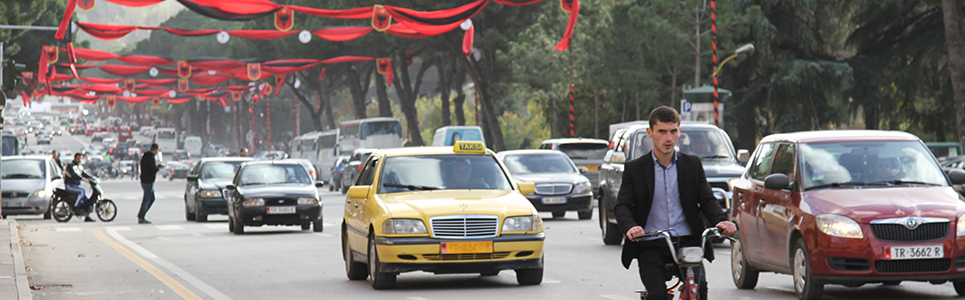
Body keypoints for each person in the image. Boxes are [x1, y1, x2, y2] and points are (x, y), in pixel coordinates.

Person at [614, 106, 737, 300]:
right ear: (650, 132)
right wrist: (631, 227)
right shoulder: (635, 169)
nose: (668, 138)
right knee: (658, 294)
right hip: (651, 243)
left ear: (679, 132)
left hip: (688, 242)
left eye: (673, 131)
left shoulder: (692, 164)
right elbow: (622, 205)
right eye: (662, 132)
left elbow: (707, 199)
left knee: (699, 290)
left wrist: (720, 221)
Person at [65, 153, 96, 222]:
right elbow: (74, 175)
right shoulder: (71, 166)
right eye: (78, 158)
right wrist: (82, 179)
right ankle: (75, 207)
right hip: (70, 185)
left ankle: (87, 216)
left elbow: (83, 173)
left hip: (77, 186)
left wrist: (92, 178)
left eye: (80, 159)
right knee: (82, 191)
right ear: (75, 158)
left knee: (86, 200)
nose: (79, 160)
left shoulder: (79, 166)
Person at [138, 143, 163, 224]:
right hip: (148, 181)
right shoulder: (151, 158)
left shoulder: (144, 157)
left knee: (151, 198)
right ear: (155, 150)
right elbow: (153, 170)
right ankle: (141, 216)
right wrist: (159, 167)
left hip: (144, 180)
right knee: (147, 199)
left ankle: (142, 214)